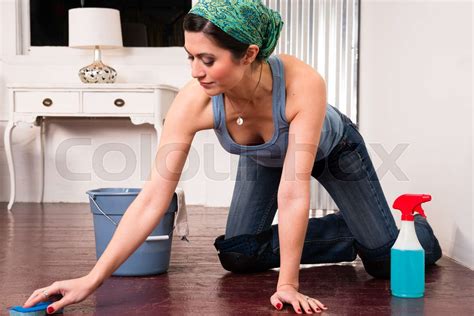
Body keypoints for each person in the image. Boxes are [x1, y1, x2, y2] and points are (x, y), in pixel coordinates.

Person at [23, 0, 442, 314]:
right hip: (266, 156)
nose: (195, 71)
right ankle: (365, 230)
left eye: (207, 59)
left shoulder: (302, 83)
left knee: (383, 263)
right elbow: (154, 195)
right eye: (190, 57)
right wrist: (92, 279)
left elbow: (293, 192)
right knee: (239, 254)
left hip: (335, 150)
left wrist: (289, 284)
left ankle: (412, 233)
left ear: (249, 53)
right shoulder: (195, 102)